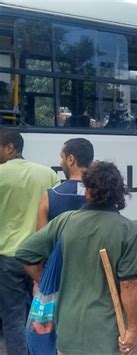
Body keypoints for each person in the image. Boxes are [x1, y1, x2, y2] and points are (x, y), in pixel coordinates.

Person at [16, 161, 137, 354]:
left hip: (67, 329)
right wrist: (132, 330)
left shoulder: (65, 221)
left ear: (88, 190)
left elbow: (25, 253)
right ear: (119, 193)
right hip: (105, 334)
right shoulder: (129, 231)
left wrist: (41, 278)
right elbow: (128, 285)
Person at [0, 129, 60, 355]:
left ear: (10, 147)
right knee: (41, 311)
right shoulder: (47, 174)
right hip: (39, 256)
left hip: (8, 257)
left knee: (13, 315)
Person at [37, 138, 94, 229]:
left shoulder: (49, 196)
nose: (61, 163)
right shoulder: (103, 195)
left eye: (62, 157)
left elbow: (41, 240)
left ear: (71, 159)